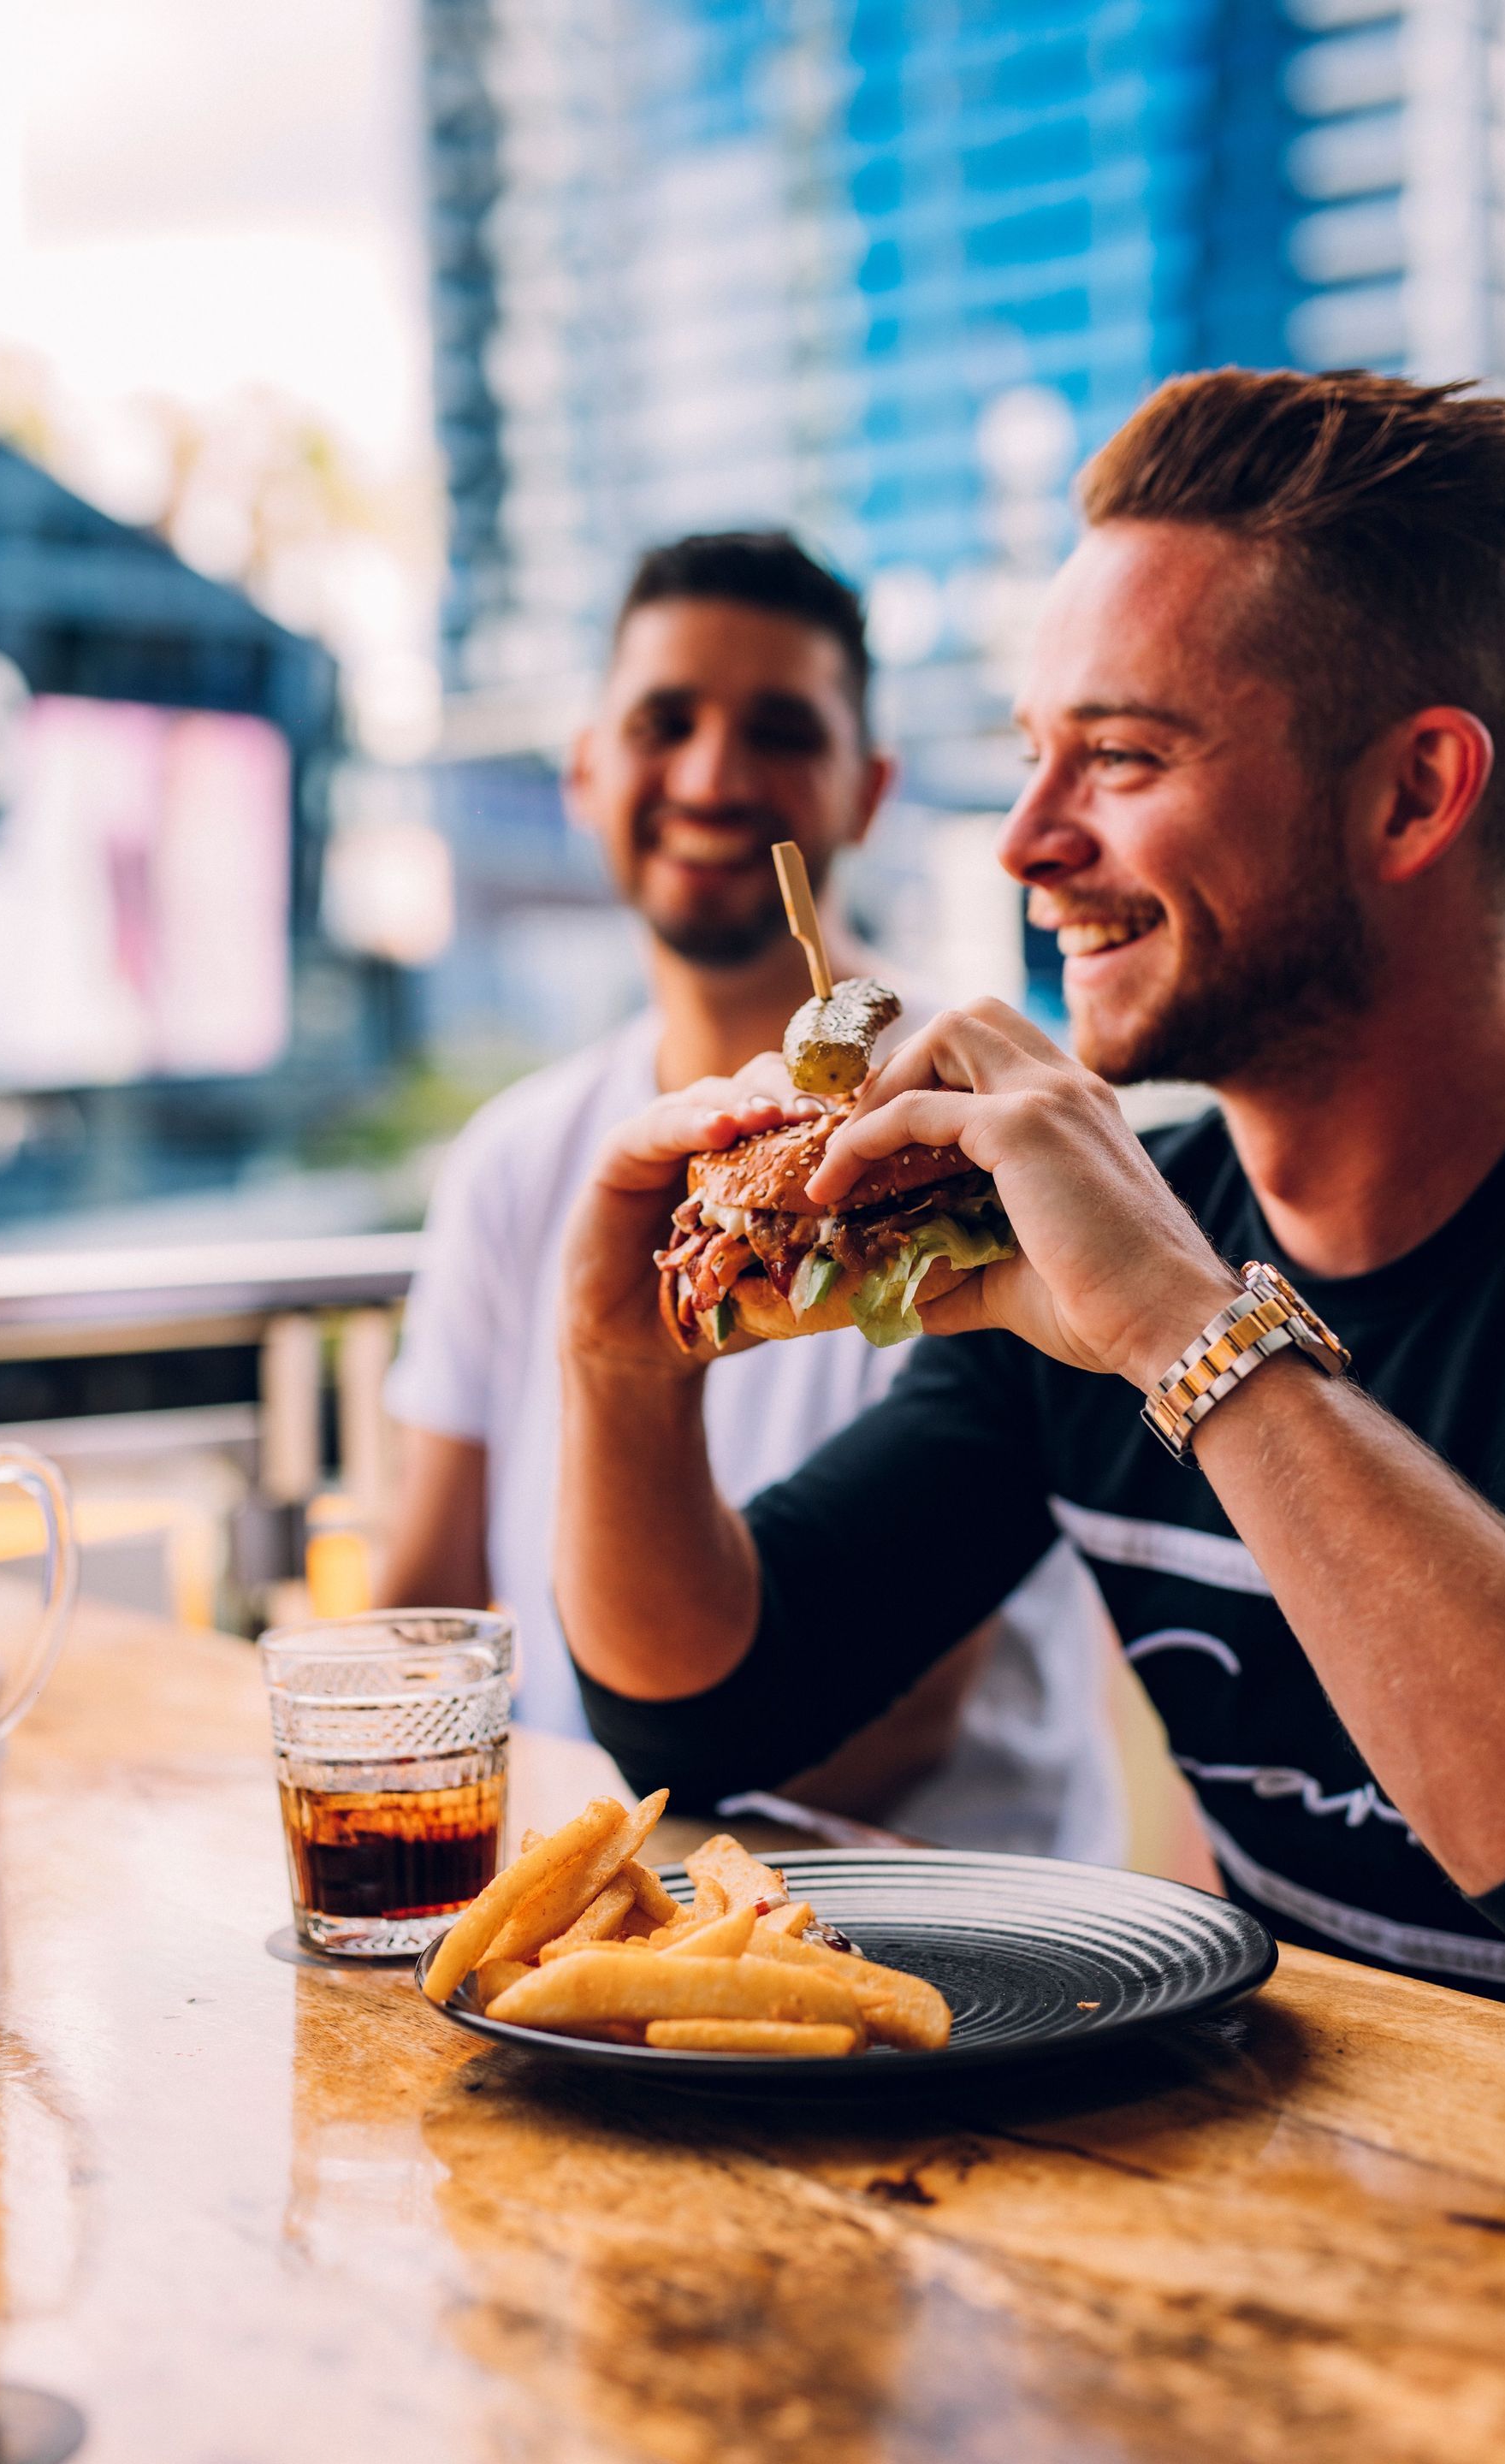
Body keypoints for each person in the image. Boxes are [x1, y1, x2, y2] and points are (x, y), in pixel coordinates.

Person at [553, 371, 1505, 2007]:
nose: (1025, 841)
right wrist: (615, 1366)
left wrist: (1189, 1331)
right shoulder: (1103, 1248)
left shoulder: (1147, 1280)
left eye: (1124, 757)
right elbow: (709, 1709)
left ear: (1412, 796)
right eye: (1032, 757)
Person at [382, 530, 1121, 1857]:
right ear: (586, 768)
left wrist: (596, 1885)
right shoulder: (515, 1159)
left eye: (779, 730)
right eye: (666, 722)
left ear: (867, 789)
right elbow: (429, 1602)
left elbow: (887, 1723)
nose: (715, 777)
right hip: (594, 1901)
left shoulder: (980, 1136)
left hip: (950, 1933)